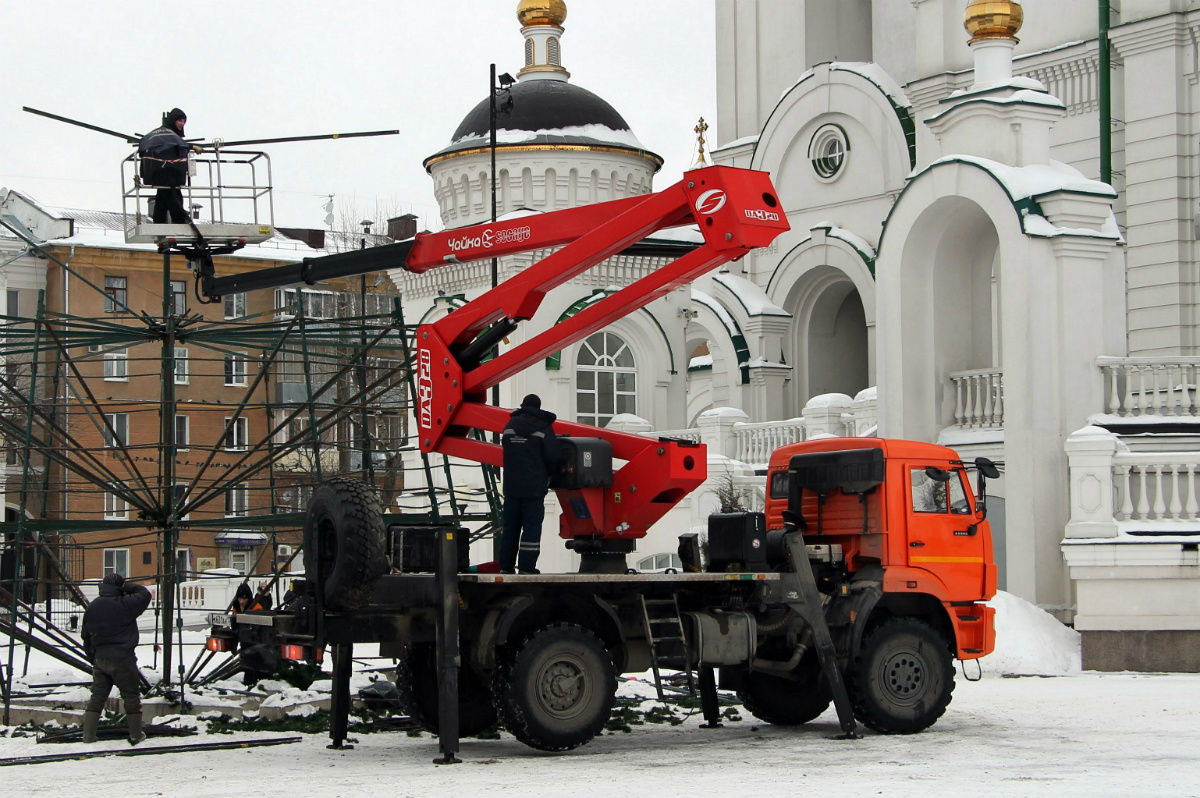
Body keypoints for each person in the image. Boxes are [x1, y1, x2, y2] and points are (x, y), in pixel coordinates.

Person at [80, 572, 152, 745]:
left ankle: (88, 736)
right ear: (119, 588)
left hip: (100, 658)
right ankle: (135, 735)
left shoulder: (93, 607)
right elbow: (144, 594)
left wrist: (94, 658)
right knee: (131, 696)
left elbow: (86, 637)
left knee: (97, 697)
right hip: (123, 658)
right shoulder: (125, 604)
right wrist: (127, 587)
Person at [499, 394, 561, 574]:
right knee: (531, 530)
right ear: (539, 408)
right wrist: (551, 473)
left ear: (523, 406)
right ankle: (526, 567)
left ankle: (506, 566)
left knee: (510, 528)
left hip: (511, 488)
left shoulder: (509, 426)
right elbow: (553, 457)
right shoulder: (544, 428)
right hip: (534, 489)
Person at [138, 108, 195, 224]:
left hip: (164, 174)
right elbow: (173, 142)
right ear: (173, 120)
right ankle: (179, 221)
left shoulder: (165, 134)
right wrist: (191, 147)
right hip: (168, 174)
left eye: (184, 121)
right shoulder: (167, 133)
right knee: (174, 198)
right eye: (180, 120)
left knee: (162, 197)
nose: (182, 124)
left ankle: (158, 221)